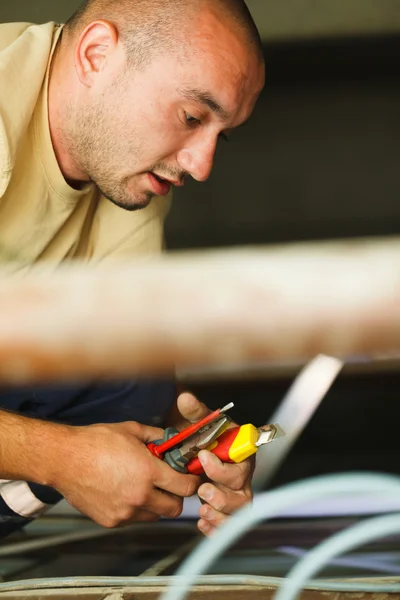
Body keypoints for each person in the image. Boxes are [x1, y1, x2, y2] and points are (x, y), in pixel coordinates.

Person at [0, 0, 265, 538]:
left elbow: (117, 380)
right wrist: (59, 457)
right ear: (96, 55)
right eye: (191, 117)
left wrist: (191, 449)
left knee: (139, 379)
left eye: (220, 134)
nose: (201, 165)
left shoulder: (128, 179)